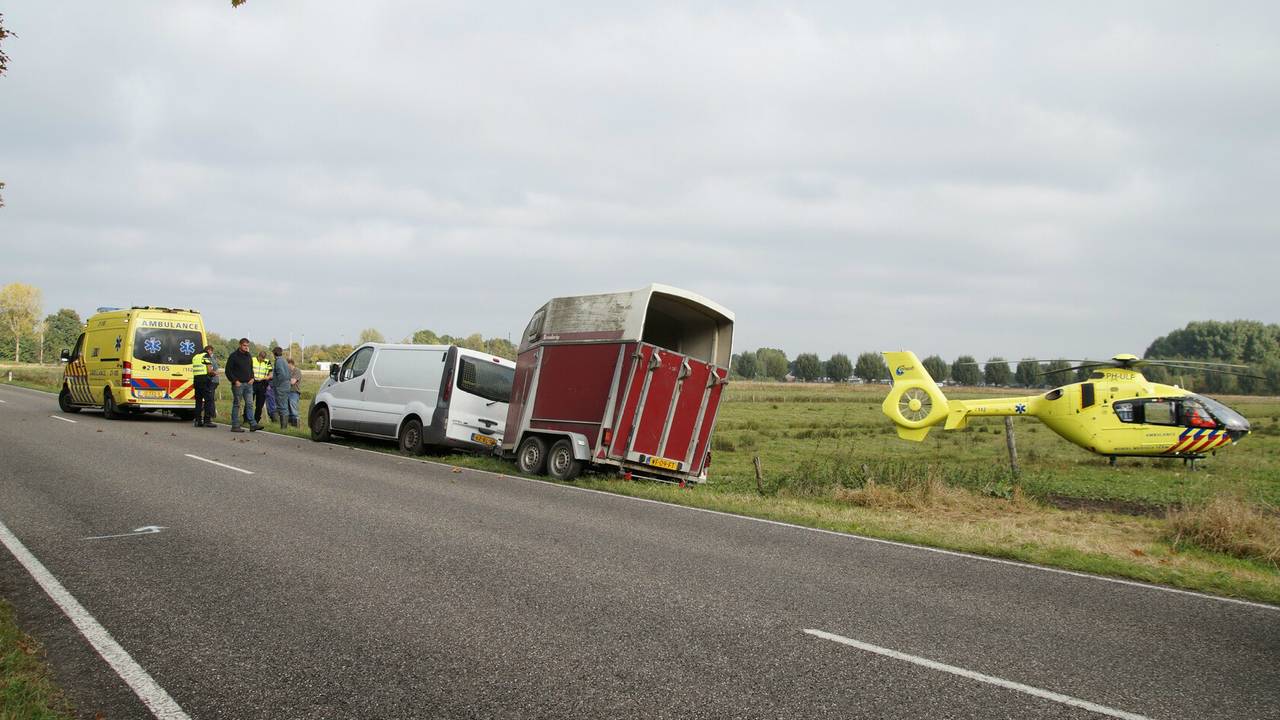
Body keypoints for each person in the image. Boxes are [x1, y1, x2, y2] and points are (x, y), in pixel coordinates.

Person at [225, 337, 262, 433]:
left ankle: (253, 424)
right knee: (237, 404)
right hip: (238, 384)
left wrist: (252, 378)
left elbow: (251, 369)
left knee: (249, 404)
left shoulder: (248, 355)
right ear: (240, 345)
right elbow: (228, 371)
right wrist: (235, 381)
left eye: (247, 346)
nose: (246, 347)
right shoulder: (233, 356)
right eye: (244, 345)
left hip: (248, 384)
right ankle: (235, 425)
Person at [190, 344, 217, 428]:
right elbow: (209, 370)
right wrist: (214, 373)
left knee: (198, 401)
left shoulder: (195, 357)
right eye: (211, 352)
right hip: (205, 381)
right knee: (208, 400)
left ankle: (198, 421)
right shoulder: (206, 356)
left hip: (196, 381)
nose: (211, 354)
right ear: (209, 350)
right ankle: (207, 420)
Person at [270, 346, 291, 429]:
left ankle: (283, 427)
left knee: (282, 406)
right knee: (284, 405)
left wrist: (276, 384)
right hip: (286, 386)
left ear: (274, 353)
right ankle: (284, 426)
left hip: (281, 387)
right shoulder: (284, 360)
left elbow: (281, 375)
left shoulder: (278, 361)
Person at [253, 350, 274, 424]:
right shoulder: (253, 360)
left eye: (263, 358)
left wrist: (263, 378)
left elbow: (271, 375)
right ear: (258, 356)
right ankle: (246, 419)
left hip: (262, 384)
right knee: (249, 402)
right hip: (253, 383)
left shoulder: (267, 362)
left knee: (260, 404)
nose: (261, 360)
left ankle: (256, 420)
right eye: (260, 358)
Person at [286, 357, 302, 427]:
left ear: (290, 364)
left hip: (294, 392)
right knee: (287, 409)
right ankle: (290, 424)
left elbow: (293, 381)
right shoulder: (287, 371)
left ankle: (296, 425)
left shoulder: (297, 371)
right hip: (286, 391)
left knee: (293, 408)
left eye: (286, 364)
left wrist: (284, 380)